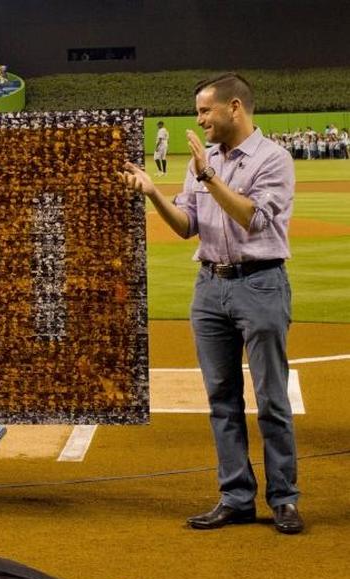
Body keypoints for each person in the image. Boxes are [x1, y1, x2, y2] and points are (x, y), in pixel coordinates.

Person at [122, 72, 301, 535]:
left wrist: (208, 176)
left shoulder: (273, 159)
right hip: (210, 288)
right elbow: (187, 226)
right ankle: (236, 497)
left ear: (234, 107)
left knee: (271, 400)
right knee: (222, 400)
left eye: (205, 110)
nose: (200, 119)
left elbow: (254, 221)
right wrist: (153, 192)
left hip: (260, 284)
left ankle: (284, 499)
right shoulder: (202, 161)